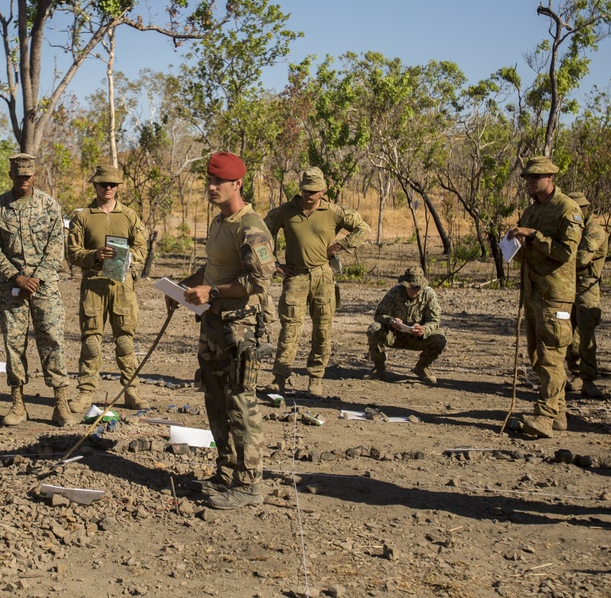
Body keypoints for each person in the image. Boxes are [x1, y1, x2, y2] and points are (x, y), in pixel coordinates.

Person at [168, 152, 276, 510]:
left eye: (219, 183)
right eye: (209, 182)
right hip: (213, 324)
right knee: (215, 400)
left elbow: (260, 280)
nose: (212, 188)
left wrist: (212, 292)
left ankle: (249, 483)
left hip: (240, 330)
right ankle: (226, 471)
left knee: (241, 404)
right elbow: (214, 268)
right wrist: (185, 288)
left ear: (238, 184)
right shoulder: (219, 223)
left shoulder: (252, 227)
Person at [263, 166, 369, 396]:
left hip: (323, 276)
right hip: (295, 277)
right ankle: (280, 378)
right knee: (289, 329)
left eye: (313, 191)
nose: (308, 195)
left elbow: (363, 228)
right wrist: (273, 263)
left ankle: (315, 379)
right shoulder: (285, 211)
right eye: (305, 191)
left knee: (322, 329)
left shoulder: (334, 212)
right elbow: (261, 234)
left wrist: (341, 245)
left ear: (322, 190)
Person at [0, 153, 72, 427]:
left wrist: (37, 278)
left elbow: (57, 246)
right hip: (12, 289)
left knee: (53, 340)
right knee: (13, 344)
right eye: (18, 175)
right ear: (11, 175)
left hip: (44, 288)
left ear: (35, 175)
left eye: (28, 175)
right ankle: (18, 404)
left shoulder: (49, 205)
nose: (23, 180)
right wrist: (16, 277)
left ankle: (60, 404)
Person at [506, 156, 582, 438]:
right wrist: (516, 244)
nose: (530, 182)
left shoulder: (567, 209)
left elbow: (565, 252)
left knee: (552, 354)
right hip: (533, 292)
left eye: (535, 177)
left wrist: (534, 235)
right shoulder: (529, 211)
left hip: (556, 295)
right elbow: (528, 250)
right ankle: (558, 410)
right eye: (527, 178)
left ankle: (545, 415)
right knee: (537, 355)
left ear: (550, 177)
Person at [66, 164, 149, 413]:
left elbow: (142, 249)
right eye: (104, 184)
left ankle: (130, 391)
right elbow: (72, 253)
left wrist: (125, 256)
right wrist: (96, 255)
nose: (109, 188)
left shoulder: (130, 216)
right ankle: (85, 393)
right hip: (93, 285)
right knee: (91, 341)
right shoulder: (82, 217)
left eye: (113, 185)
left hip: (123, 286)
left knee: (125, 340)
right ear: (95, 186)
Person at [366, 266, 447, 383]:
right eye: (411, 287)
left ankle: (422, 367)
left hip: (418, 338)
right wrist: (391, 321)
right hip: (394, 336)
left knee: (440, 338)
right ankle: (379, 368)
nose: (414, 290)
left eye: (417, 287)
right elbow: (379, 315)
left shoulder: (429, 295)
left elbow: (435, 321)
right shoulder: (394, 293)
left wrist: (423, 329)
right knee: (374, 329)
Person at [565, 192, 607, 399]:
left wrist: (559, 255)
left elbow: (580, 258)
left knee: (586, 334)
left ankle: (588, 378)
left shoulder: (594, 231)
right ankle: (575, 373)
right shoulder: (572, 228)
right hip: (568, 286)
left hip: (587, 289)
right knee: (567, 332)